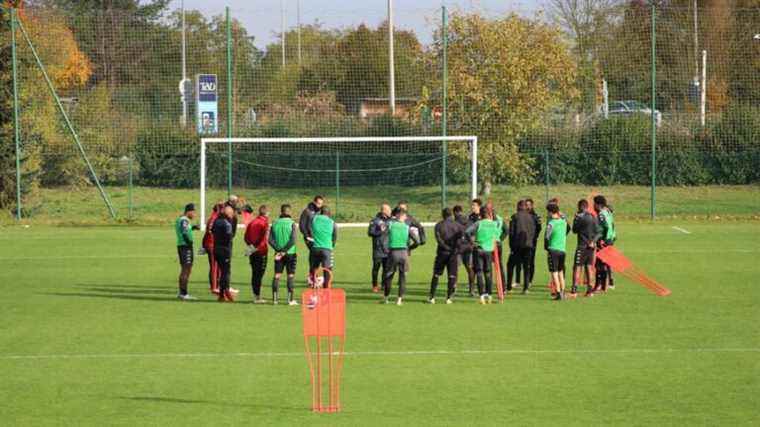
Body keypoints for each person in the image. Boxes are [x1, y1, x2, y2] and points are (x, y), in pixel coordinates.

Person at [383, 208, 420, 305]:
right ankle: (399, 300)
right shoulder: (407, 227)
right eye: (405, 216)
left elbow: (383, 239)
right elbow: (417, 241)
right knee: (403, 276)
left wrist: (386, 250)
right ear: (402, 216)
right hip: (404, 253)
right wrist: (409, 248)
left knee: (389, 275)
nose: (406, 217)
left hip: (393, 252)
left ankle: (386, 298)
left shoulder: (391, 225)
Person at [428, 207, 464, 304]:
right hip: (453, 254)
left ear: (443, 215)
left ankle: (432, 297)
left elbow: (438, 240)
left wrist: (445, 247)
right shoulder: (458, 226)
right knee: (452, 275)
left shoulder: (438, 225)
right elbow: (461, 240)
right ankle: (448, 298)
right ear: (451, 215)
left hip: (441, 253)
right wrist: (455, 249)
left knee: (436, 274)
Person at [467, 205, 501, 304]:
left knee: (479, 273)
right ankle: (489, 295)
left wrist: (472, 242)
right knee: (488, 273)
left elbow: (467, 232)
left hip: (478, 249)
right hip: (489, 250)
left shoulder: (478, 223)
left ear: (481, 214)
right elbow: (498, 231)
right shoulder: (495, 224)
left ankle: (481, 296)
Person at [269, 204, 299, 305]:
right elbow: (293, 240)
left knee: (277, 275)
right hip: (290, 253)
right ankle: (290, 300)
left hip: (278, 253)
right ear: (289, 212)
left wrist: (279, 250)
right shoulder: (292, 224)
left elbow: (270, 240)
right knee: (290, 275)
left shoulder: (274, 223)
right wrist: (285, 251)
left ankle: (275, 300)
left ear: (281, 212)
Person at [507, 200, 536, 294]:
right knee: (526, 266)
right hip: (529, 245)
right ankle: (526, 288)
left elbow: (511, 233)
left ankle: (509, 287)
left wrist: (511, 246)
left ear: (518, 206)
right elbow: (533, 231)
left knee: (510, 265)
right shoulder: (531, 217)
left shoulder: (515, 217)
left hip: (517, 246)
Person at [572, 199, 599, 297]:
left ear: (579, 207)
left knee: (577, 267)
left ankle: (574, 290)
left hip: (581, 246)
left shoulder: (580, 218)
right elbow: (598, 232)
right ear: (587, 207)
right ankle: (590, 291)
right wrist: (593, 241)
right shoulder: (593, 217)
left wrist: (575, 219)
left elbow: (574, 230)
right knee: (589, 268)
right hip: (591, 247)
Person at [514, 198, 542, 290]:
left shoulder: (535, 216)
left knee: (530, 262)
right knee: (518, 262)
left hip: (531, 241)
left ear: (532, 205)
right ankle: (517, 281)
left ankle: (529, 281)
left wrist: (534, 236)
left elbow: (539, 228)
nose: (527, 206)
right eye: (526, 204)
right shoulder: (521, 215)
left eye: (529, 204)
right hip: (520, 241)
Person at [244, 205, 270, 303]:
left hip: (252, 251)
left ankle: (256, 295)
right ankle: (257, 297)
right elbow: (264, 239)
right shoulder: (264, 223)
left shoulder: (252, 222)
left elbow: (246, 237)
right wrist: (257, 248)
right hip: (261, 251)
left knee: (254, 273)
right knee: (259, 274)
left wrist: (250, 247)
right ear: (266, 213)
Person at [175, 203, 200, 301]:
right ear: (189, 211)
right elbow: (184, 232)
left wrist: (192, 228)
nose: (194, 214)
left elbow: (184, 229)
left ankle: (182, 292)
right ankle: (183, 294)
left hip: (182, 246)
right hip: (185, 247)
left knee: (185, 269)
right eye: (193, 212)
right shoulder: (184, 220)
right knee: (186, 269)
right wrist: (189, 242)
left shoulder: (182, 220)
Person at [545, 201, 568, 300]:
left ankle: (558, 293)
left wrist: (546, 246)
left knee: (554, 272)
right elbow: (568, 227)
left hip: (553, 249)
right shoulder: (563, 222)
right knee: (561, 272)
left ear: (550, 212)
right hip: (562, 249)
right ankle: (563, 292)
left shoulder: (551, 223)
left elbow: (547, 236)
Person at [309, 206, 337, 287]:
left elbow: (309, 228)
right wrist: (332, 245)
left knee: (314, 269)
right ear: (328, 213)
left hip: (315, 248)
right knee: (327, 270)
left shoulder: (314, 219)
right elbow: (335, 236)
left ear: (321, 212)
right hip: (327, 249)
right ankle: (326, 288)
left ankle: (314, 286)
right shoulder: (332, 222)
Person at [593, 195, 617, 293]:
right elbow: (612, 225)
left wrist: (602, 239)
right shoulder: (608, 212)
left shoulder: (601, 214)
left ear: (598, 205)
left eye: (594, 203)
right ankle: (609, 283)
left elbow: (606, 227)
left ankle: (600, 286)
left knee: (599, 264)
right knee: (607, 262)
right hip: (610, 239)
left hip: (604, 241)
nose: (593, 205)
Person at [212, 206, 236, 302]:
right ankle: (223, 293)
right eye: (231, 214)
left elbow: (212, 231)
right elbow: (229, 237)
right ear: (228, 214)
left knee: (223, 271)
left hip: (216, 248)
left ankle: (225, 292)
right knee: (225, 272)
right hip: (225, 250)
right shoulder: (227, 223)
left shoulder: (216, 221)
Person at [460, 199, 482, 296]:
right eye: (472, 205)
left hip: (479, 244)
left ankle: (475, 289)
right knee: (470, 266)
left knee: (477, 267)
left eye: (474, 205)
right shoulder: (470, 216)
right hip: (470, 244)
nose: (472, 207)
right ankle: (472, 289)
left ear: (479, 206)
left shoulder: (482, 216)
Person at [367, 203, 391, 293]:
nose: (390, 211)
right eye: (388, 210)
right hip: (377, 249)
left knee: (386, 269)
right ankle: (375, 285)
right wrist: (379, 231)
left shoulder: (391, 221)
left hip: (387, 249)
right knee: (376, 268)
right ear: (384, 211)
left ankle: (384, 285)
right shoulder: (375, 221)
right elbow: (370, 232)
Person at [202, 201, 224, 295]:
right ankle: (214, 287)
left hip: (212, 244)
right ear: (219, 209)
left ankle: (217, 286)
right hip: (212, 244)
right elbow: (210, 232)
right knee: (214, 266)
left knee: (217, 266)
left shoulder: (214, 217)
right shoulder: (214, 218)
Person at [490, 202, 509, 294]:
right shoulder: (500, 219)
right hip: (498, 244)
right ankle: (503, 287)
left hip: (489, 245)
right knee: (499, 266)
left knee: (488, 266)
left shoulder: (487, 220)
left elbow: (506, 231)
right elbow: (506, 231)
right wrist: (500, 239)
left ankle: (488, 288)